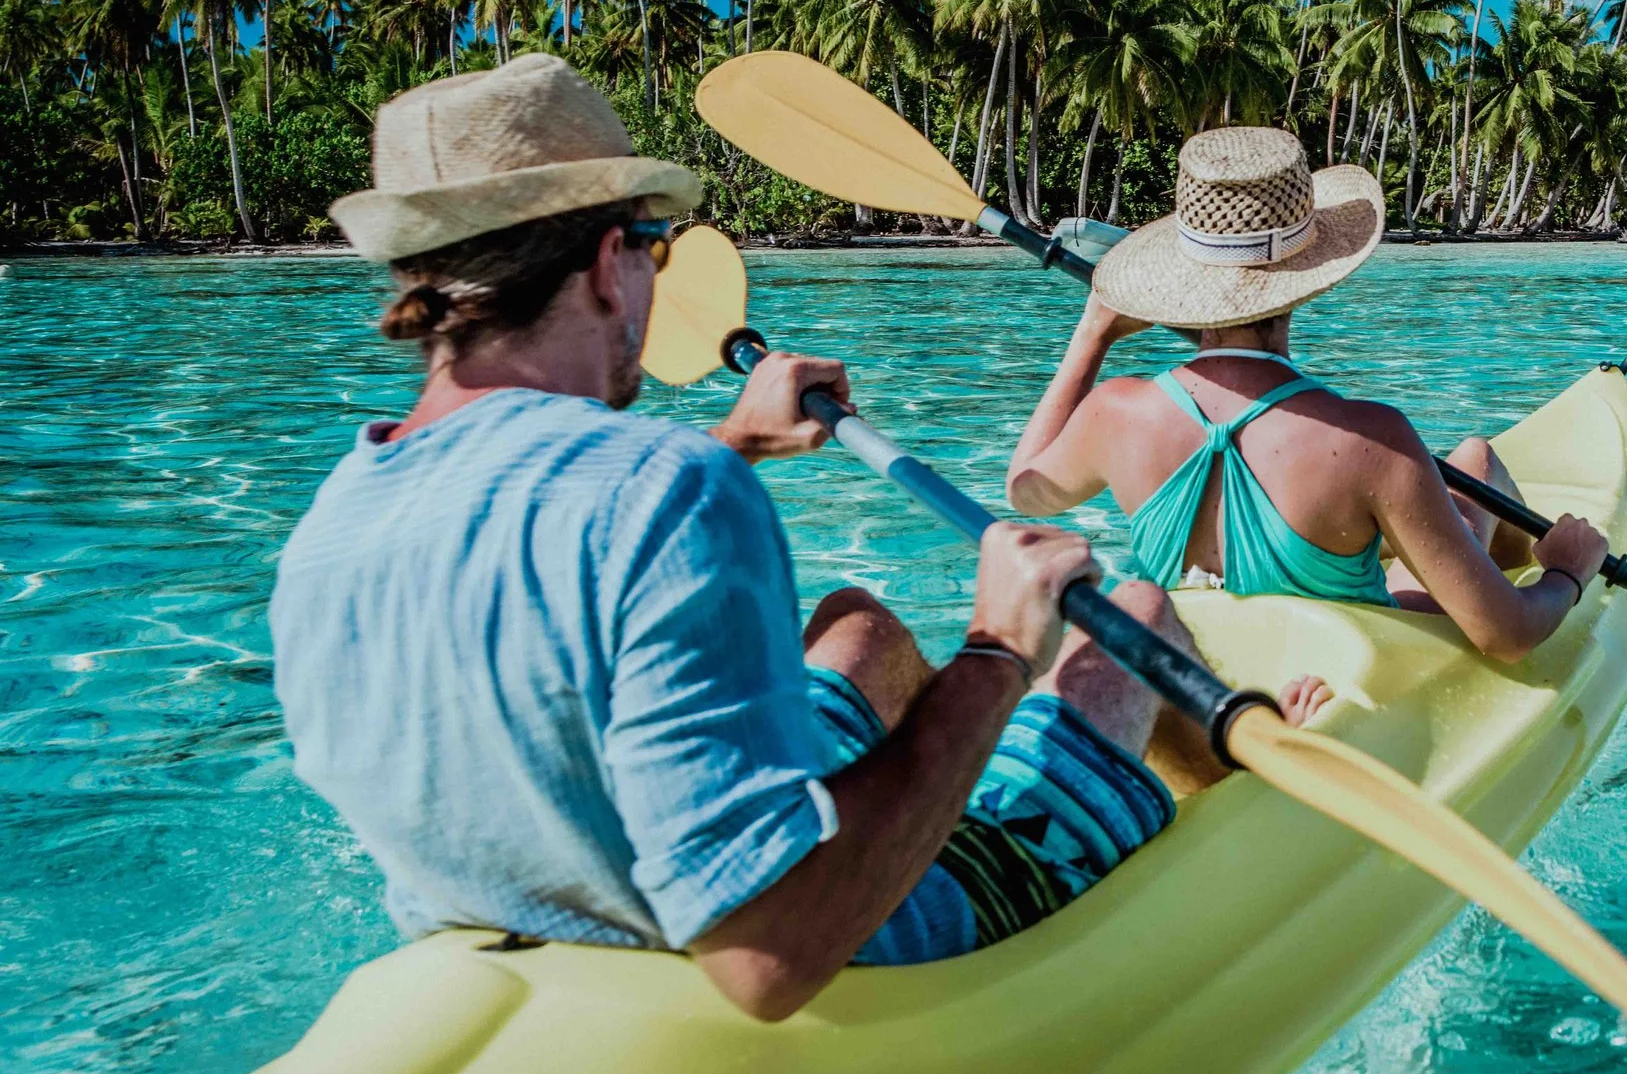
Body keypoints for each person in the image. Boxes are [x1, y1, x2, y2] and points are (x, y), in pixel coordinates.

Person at [270, 55, 1206, 1022]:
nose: (654, 273)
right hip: (845, 950)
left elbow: (565, 544)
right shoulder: (667, 490)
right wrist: (998, 652)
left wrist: (736, 443)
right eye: (654, 246)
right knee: (1130, 619)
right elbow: (769, 954)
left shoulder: (332, 521)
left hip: (540, 929)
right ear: (606, 263)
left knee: (862, 627)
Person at [1007, 127, 1609, 664]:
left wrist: (1091, 334)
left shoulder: (1115, 413)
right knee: (1475, 459)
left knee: (1471, 460)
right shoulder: (1371, 439)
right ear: (1310, 275)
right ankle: (1521, 561)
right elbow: (1505, 639)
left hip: (1197, 665)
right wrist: (1566, 572)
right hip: (1340, 671)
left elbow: (1026, 490)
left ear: (1185, 277)